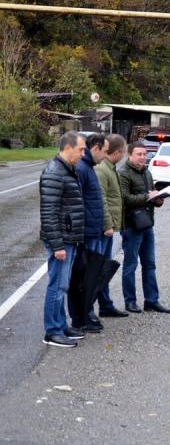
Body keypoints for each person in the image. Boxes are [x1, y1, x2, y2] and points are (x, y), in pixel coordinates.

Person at [39, 132, 88, 347]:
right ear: (68, 148)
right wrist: (57, 245)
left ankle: (60, 324)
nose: (83, 154)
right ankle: (52, 332)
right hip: (61, 240)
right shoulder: (54, 172)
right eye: (81, 149)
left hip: (69, 238)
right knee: (57, 286)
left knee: (63, 285)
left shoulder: (67, 169)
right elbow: (49, 213)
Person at [119, 141, 170, 314]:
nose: (143, 157)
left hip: (147, 224)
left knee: (150, 264)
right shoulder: (123, 173)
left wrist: (158, 199)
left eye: (145, 154)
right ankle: (130, 301)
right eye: (139, 154)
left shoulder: (147, 172)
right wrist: (147, 196)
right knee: (130, 265)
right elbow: (125, 199)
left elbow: (150, 195)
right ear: (130, 155)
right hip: (131, 226)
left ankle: (151, 301)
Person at [67, 133, 109, 333]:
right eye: (105, 151)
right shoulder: (83, 169)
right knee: (83, 278)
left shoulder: (89, 167)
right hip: (86, 233)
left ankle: (86, 313)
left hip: (93, 231)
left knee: (91, 277)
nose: (106, 155)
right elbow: (78, 203)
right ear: (95, 148)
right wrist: (81, 232)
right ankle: (81, 317)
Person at [95, 133, 128, 318]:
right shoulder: (102, 170)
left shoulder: (111, 168)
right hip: (103, 230)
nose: (123, 155)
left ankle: (105, 304)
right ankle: (90, 308)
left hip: (109, 228)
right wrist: (108, 224)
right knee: (99, 268)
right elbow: (102, 200)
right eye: (123, 152)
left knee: (105, 267)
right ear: (117, 152)